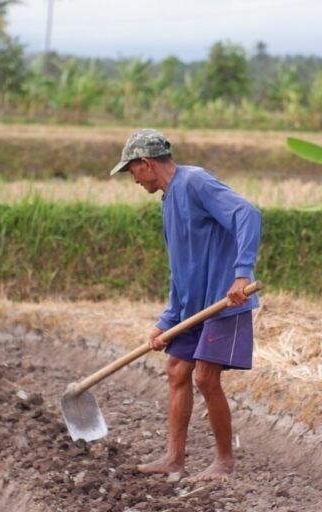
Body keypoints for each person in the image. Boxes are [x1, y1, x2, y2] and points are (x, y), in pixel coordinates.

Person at [110, 128, 261, 483]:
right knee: (178, 369)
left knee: (206, 378)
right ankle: (174, 460)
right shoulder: (168, 202)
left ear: (146, 164)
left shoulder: (195, 182)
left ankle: (224, 463)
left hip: (223, 302)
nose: (132, 179)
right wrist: (167, 320)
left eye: (130, 170)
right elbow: (181, 268)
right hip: (192, 307)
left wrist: (242, 274)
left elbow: (248, 214)